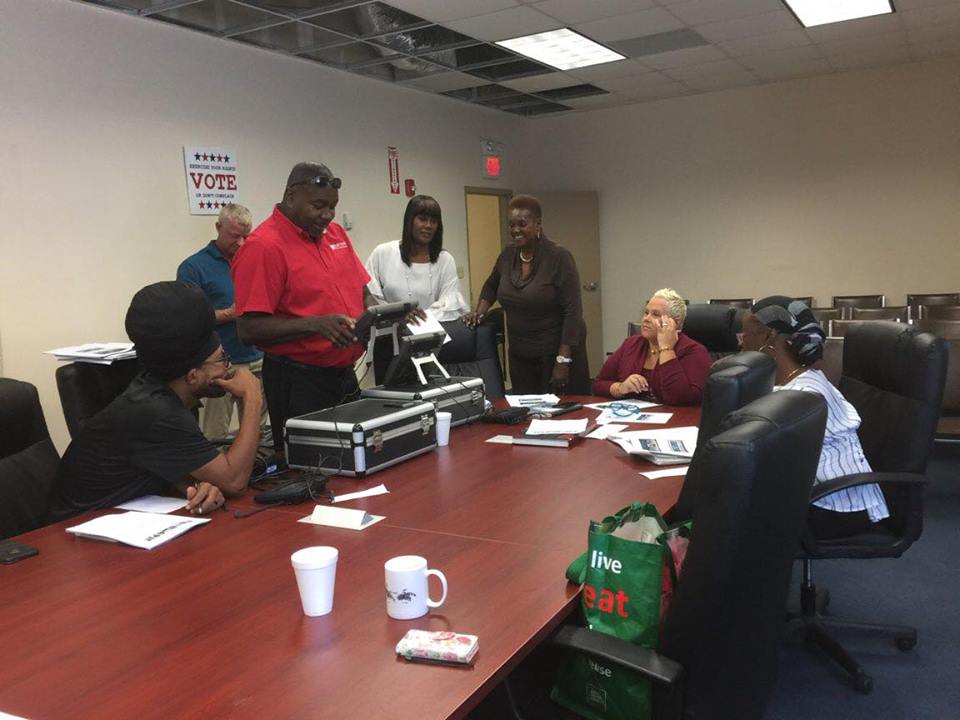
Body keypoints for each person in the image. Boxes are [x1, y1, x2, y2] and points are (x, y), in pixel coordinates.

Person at [49, 281, 263, 521]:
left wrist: (196, 483)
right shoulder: (158, 411)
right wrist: (252, 396)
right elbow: (234, 482)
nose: (227, 368)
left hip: (129, 513)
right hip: (75, 530)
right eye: (222, 359)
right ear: (192, 376)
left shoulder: (162, 388)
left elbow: (158, 463)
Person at [232, 162, 376, 454]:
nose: (327, 215)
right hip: (298, 382)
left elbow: (362, 290)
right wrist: (316, 324)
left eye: (332, 207)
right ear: (290, 196)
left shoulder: (335, 234)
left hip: (344, 375)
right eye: (318, 206)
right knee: (310, 469)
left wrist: (377, 312)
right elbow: (248, 329)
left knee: (356, 460)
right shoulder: (264, 246)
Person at [740, 295, 890, 537]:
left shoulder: (801, 397)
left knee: (729, 510)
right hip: (826, 493)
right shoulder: (803, 378)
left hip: (834, 507)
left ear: (769, 337)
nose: (741, 344)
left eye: (744, 335)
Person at [464, 194, 589, 395]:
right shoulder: (508, 254)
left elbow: (573, 311)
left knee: (558, 410)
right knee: (525, 408)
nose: (515, 230)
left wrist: (563, 360)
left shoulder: (559, 257)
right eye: (511, 225)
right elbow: (491, 285)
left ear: (538, 224)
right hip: (520, 353)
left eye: (522, 224)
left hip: (554, 354)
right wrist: (479, 313)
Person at [177, 203, 267, 441]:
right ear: (218, 227)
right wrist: (229, 314)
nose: (241, 243)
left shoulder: (253, 261)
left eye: (246, 236)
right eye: (235, 236)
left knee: (256, 434)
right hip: (217, 366)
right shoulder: (193, 267)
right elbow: (188, 317)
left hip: (257, 359)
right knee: (214, 435)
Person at [365, 195, 469, 381]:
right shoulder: (384, 253)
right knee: (389, 395)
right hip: (388, 343)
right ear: (409, 221)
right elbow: (369, 294)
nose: (428, 226)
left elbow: (449, 302)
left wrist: (417, 319)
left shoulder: (445, 260)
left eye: (434, 221)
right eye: (422, 219)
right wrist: (398, 316)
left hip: (426, 343)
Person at [592, 288, 711, 405]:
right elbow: (598, 384)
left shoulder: (694, 351)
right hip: (633, 415)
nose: (646, 319)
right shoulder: (631, 344)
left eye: (655, 314)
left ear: (675, 321)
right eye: (646, 312)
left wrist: (666, 349)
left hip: (676, 416)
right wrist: (621, 388)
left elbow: (681, 398)